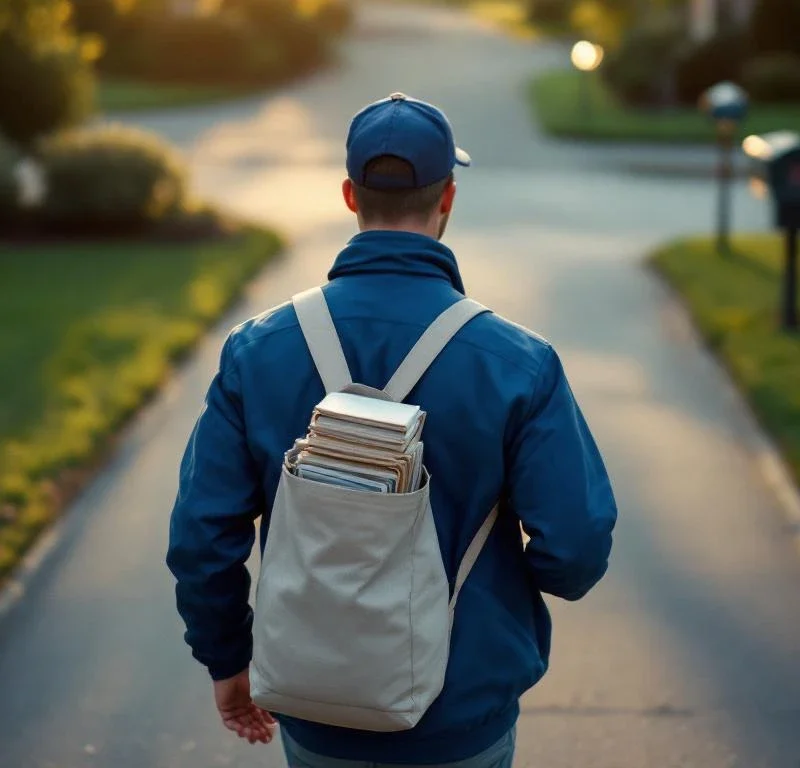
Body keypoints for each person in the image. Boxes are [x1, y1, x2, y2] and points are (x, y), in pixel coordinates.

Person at [167, 92, 618, 768]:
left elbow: (203, 536)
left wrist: (226, 656)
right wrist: (499, 593)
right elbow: (575, 550)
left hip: (315, 705)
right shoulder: (518, 364)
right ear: (449, 199)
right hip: (462, 713)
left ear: (350, 195)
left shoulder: (258, 350)